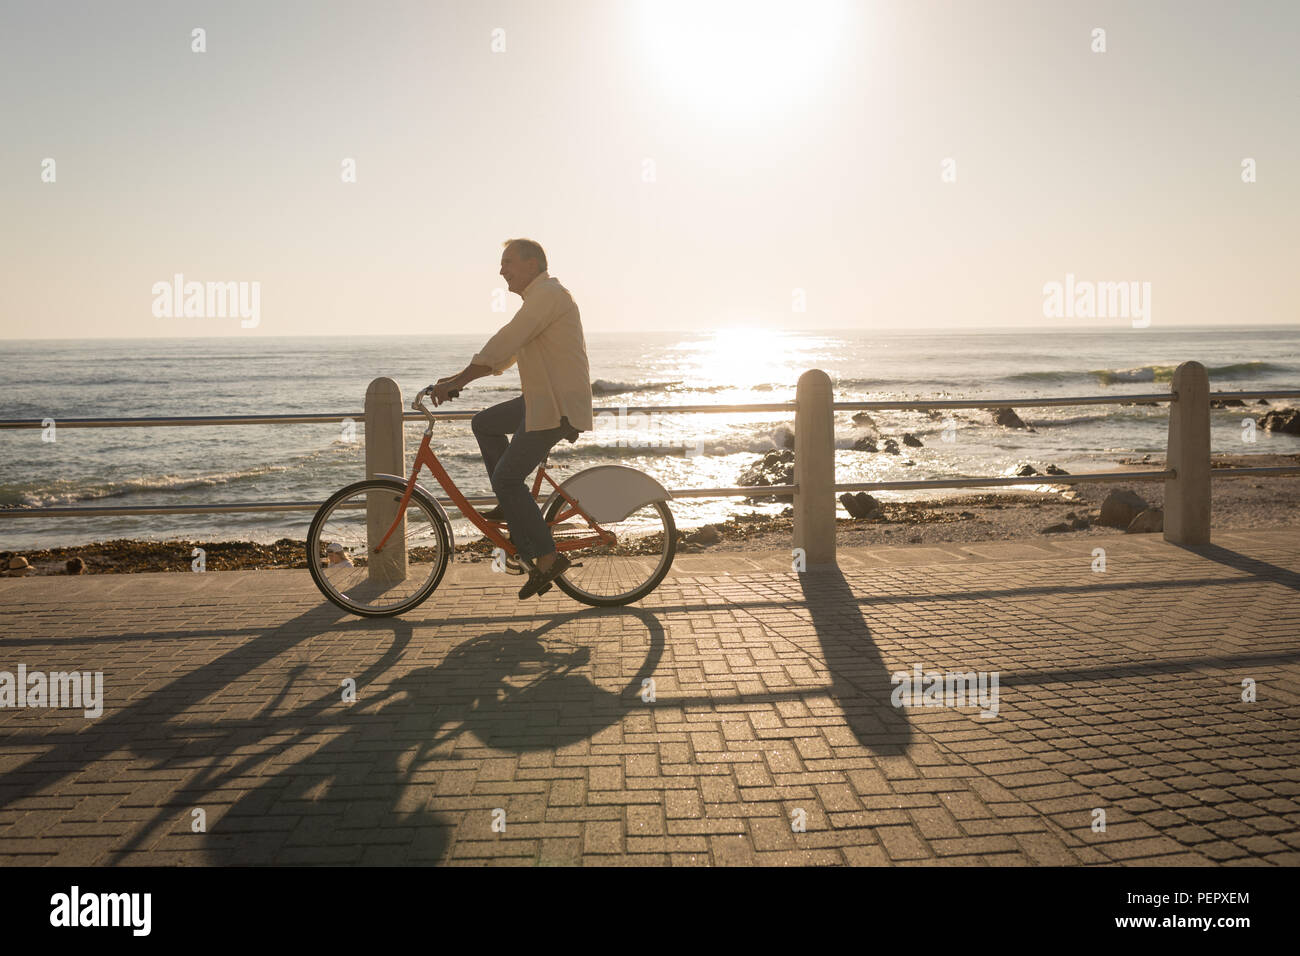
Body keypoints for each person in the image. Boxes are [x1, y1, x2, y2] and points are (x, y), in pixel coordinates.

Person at [427, 239, 593, 600]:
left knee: (507, 477)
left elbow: (506, 340)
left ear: (532, 264)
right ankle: (511, 505)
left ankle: (547, 559)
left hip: (556, 405)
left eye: (508, 262)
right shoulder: (539, 300)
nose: (502, 270)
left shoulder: (548, 294)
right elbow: (506, 355)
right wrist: (456, 379)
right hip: (540, 399)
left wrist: (458, 381)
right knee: (483, 424)